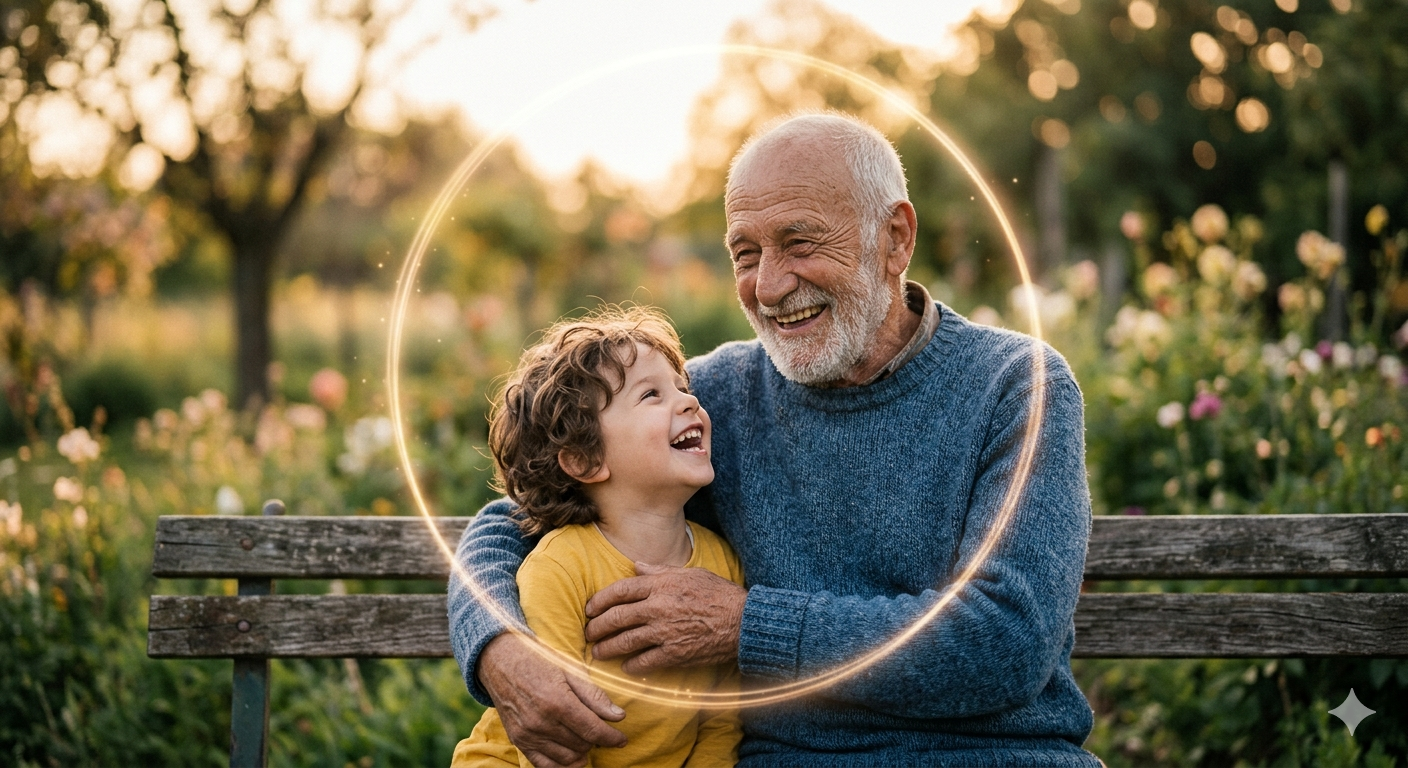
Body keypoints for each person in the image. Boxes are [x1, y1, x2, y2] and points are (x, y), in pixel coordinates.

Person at [448, 111, 1103, 767]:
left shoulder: (1019, 386)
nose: (768, 285)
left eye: (799, 243)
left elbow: (1005, 643)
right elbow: (519, 518)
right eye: (746, 254)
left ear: (895, 239)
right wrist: (498, 646)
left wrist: (746, 628)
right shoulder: (712, 399)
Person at [450, 306, 745, 767]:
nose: (690, 402)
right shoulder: (560, 568)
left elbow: (721, 720)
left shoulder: (722, 564)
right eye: (652, 395)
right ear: (585, 462)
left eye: (683, 389)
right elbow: (555, 731)